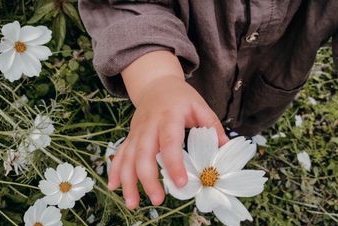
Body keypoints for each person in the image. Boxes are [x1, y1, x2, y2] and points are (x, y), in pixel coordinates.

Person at [79, 0, 338, 209]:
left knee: (244, 126)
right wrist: (157, 82)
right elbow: (125, 7)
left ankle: (237, 133)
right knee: (178, 131)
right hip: (190, 83)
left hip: (262, 86)